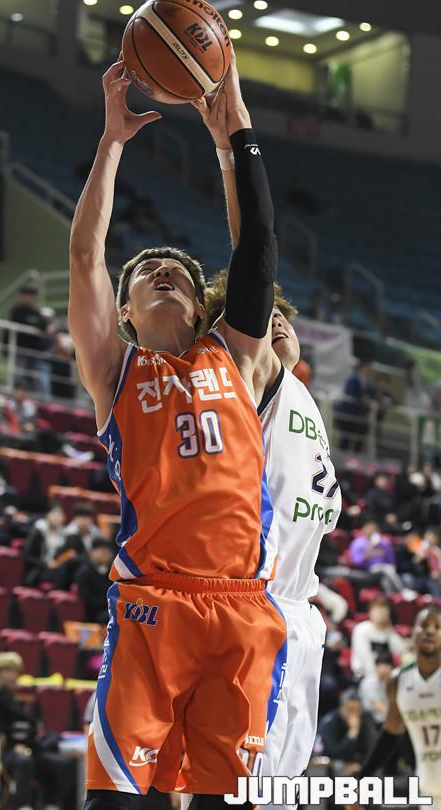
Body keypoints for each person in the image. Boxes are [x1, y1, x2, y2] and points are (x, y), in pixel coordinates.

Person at [68, 52, 285, 808]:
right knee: (121, 799)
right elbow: (84, 256)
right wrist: (111, 142)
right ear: (124, 311)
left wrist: (234, 138)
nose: (165, 273)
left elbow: (256, 245)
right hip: (152, 605)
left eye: (183, 276)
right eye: (146, 274)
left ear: (200, 308)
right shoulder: (115, 370)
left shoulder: (237, 355)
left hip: (243, 603)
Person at [195, 83, 342, 797]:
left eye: (284, 314)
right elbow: (255, 249)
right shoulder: (247, 378)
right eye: (265, 315)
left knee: (275, 790)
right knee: (244, 790)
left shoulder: (303, 398)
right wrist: (234, 143)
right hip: (257, 606)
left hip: (299, 617)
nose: (276, 319)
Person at [0, 651, 76, 810]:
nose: (13, 676)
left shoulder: (10, 696)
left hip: (25, 746)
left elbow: (26, 726)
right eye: (8, 671)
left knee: (62, 765)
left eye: (15, 671)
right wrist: (12, 745)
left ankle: (52, 804)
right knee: (23, 761)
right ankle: (22, 806)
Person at [361, 608, 441, 810]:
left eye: (437, 627)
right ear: (413, 632)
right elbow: (390, 735)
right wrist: (362, 778)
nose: (430, 631)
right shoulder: (399, 681)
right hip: (428, 789)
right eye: (424, 626)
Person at [319, 688, 377, 775]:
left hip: (357, 765)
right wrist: (352, 733)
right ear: (342, 707)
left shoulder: (364, 720)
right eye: (350, 709)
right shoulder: (329, 722)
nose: (353, 714)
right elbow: (332, 752)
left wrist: (360, 765)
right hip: (333, 765)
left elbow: (370, 750)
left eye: (357, 710)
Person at [351, 597, 407, 680]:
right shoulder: (362, 629)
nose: (382, 613)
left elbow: (402, 649)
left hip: (386, 675)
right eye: (378, 610)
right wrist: (376, 674)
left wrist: (390, 629)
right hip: (364, 674)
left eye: (385, 610)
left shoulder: (387, 632)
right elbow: (365, 657)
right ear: (370, 612)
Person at [5, 286, 48, 392]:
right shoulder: (16, 310)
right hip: (19, 349)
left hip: (33, 351)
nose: (29, 298)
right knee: (18, 375)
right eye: (26, 296)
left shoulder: (36, 312)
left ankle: (34, 397)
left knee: (34, 377)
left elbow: (43, 326)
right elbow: (16, 324)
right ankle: (16, 394)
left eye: (31, 296)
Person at [349, 520, 409, 594]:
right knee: (387, 569)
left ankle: (391, 596)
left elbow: (391, 560)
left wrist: (393, 566)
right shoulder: (357, 543)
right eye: (370, 529)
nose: (372, 531)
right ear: (364, 530)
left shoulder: (384, 543)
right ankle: (402, 591)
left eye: (374, 529)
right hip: (367, 571)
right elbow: (357, 563)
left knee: (385, 577)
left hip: (385, 570)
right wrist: (370, 546)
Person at [23, 502, 73, 588]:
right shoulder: (38, 532)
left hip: (57, 568)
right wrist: (46, 564)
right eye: (54, 514)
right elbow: (27, 556)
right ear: (47, 515)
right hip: (38, 569)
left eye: (60, 515)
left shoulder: (66, 535)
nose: (57, 518)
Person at [336, 359, 377, 451]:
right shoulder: (353, 378)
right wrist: (362, 397)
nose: (369, 370)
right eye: (368, 368)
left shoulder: (368, 381)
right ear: (362, 367)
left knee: (358, 438)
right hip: (349, 412)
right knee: (346, 438)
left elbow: (372, 393)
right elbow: (350, 392)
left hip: (360, 415)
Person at [75, 537, 114, 623]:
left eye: (107, 551)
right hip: (93, 614)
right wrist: (111, 601)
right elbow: (87, 601)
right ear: (92, 553)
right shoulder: (84, 572)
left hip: (110, 609)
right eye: (102, 551)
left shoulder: (113, 572)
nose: (105, 554)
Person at [358, 651, 394, 726]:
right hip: (371, 719)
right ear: (377, 667)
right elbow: (377, 705)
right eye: (384, 667)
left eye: (388, 667)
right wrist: (393, 718)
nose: (386, 670)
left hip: (383, 716)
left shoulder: (387, 679)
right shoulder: (370, 682)